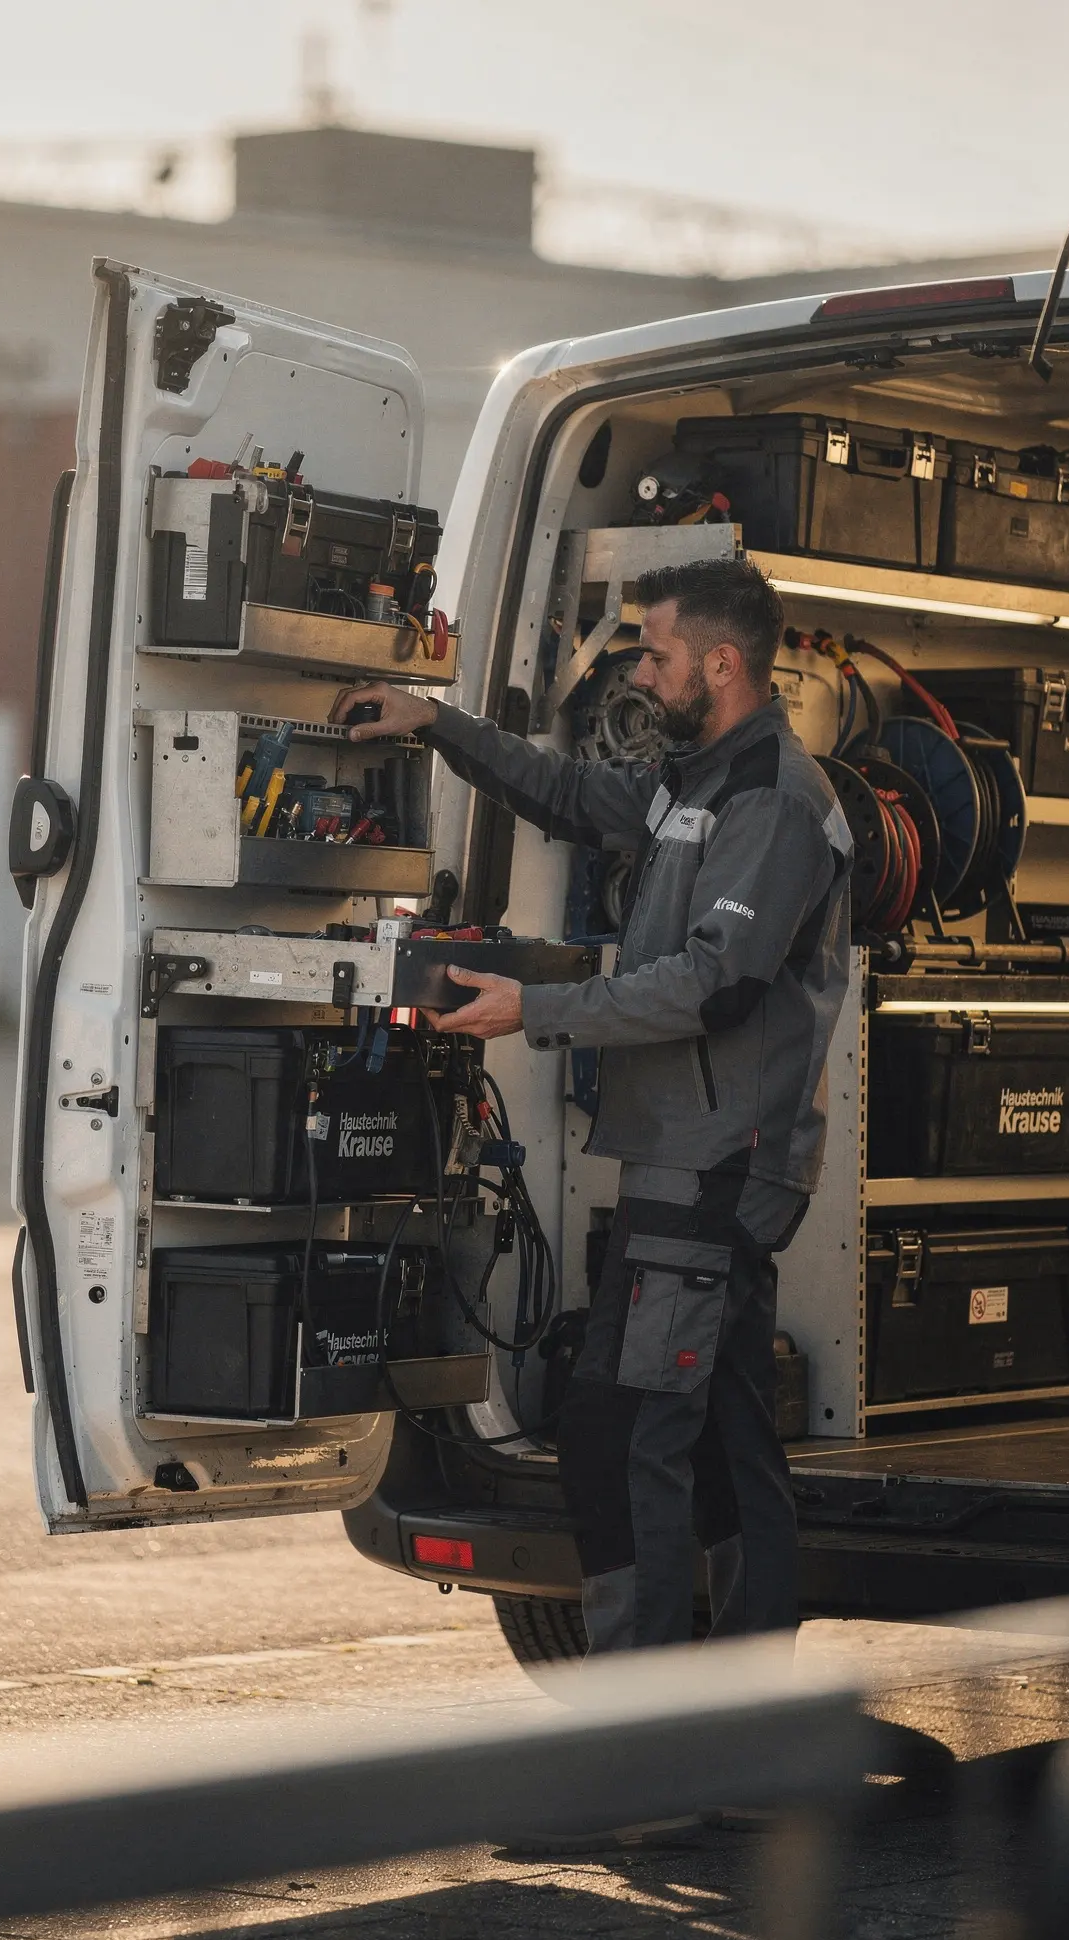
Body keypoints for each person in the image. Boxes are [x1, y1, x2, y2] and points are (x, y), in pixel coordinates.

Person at [330, 557, 852, 1654]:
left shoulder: (771, 797)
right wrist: (434, 718)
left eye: (656, 653)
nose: (641, 673)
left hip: (714, 1170)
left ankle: (642, 1732)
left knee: (619, 1439)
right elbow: (566, 794)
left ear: (720, 661)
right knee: (719, 1442)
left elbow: (716, 982)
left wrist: (539, 1007)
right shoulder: (693, 780)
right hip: (688, 1163)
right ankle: (742, 1715)